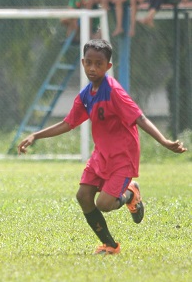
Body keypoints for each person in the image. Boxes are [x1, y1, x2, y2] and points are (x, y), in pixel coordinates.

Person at [17, 39, 187, 255]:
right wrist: (35, 135)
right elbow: (68, 123)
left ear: (108, 66)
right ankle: (110, 246)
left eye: (98, 64)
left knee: (105, 204)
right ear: (82, 62)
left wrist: (164, 141)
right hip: (101, 155)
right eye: (88, 62)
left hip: (123, 156)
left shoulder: (114, 91)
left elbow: (140, 118)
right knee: (83, 196)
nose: (92, 68)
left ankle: (130, 193)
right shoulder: (87, 94)